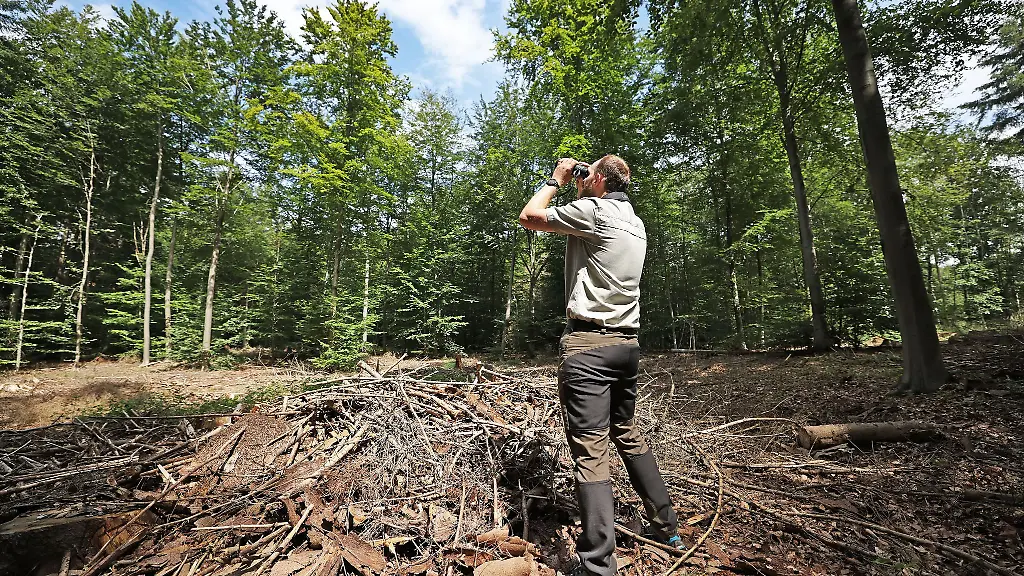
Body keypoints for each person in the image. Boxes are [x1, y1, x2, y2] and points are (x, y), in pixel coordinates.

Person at [519, 156, 682, 576]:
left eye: (586, 173)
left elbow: (530, 216)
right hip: (626, 346)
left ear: (600, 181)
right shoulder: (635, 221)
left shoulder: (594, 210)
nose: (580, 177)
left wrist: (556, 178)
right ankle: (667, 526)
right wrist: (583, 182)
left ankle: (597, 565)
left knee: (591, 451)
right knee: (626, 432)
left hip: (589, 346)